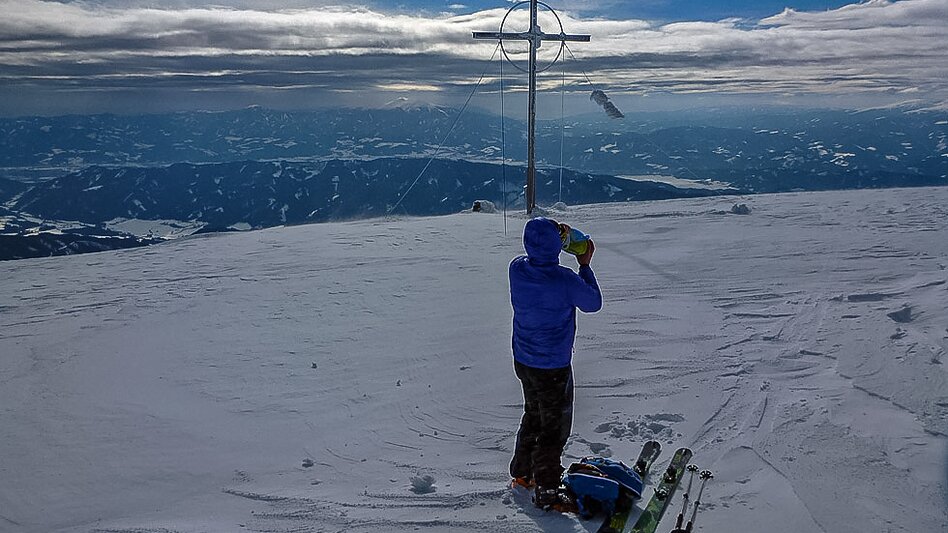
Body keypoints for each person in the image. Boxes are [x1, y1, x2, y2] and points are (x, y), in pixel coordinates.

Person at [508, 217, 602, 510]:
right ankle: (547, 489)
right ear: (557, 246)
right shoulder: (564, 280)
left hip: (523, 359)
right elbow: (593, 303)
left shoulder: (517, 269)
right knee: (554, 427)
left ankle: (522, 473)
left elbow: (539, 253)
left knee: (533, 414)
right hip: (553, 366)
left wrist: (552, 235)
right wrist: (584, 265)